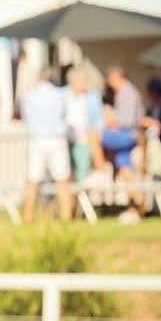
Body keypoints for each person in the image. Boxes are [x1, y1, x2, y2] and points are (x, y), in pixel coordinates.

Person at [20, 68, 72, 222]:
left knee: (33, 180)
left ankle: (28, 216)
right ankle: (66, 215)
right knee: (62, 179)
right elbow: (64, 116)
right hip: (57, 139)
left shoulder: (29, 96)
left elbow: (26, 117)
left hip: (37, 139)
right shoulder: (60, 95)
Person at [101, 67, 144, 222]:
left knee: (94, 135)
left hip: (127, 135)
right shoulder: (126, 92)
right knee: (126, 169)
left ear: (116, 77)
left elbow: (127, 121)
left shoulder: (127, 92)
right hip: (127, 136)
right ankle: (133, 207)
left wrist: (110, 118)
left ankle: (99, 169)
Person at [62, 68, 104, 183]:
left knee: (82, 169)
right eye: (83, 80)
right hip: (64, 137)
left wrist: (97, 134)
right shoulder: (61, 94)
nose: (86, 83)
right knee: (65, 171)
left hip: (83, 138)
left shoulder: (93, 97)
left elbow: (98, 120)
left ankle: (80, 191)